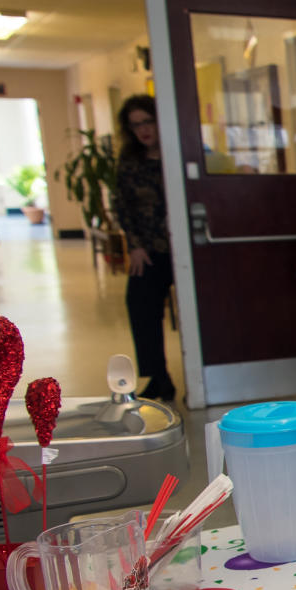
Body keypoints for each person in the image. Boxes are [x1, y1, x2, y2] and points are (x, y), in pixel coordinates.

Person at [113, 95, 176, 402]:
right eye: (136, 125)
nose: (143, 130)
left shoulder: (178, 155)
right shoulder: (130, 163)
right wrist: (134, 246)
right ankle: (159, 376)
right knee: (140, 304)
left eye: (147, 122)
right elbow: (122, 206)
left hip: (184, 249)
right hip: (148, 249)